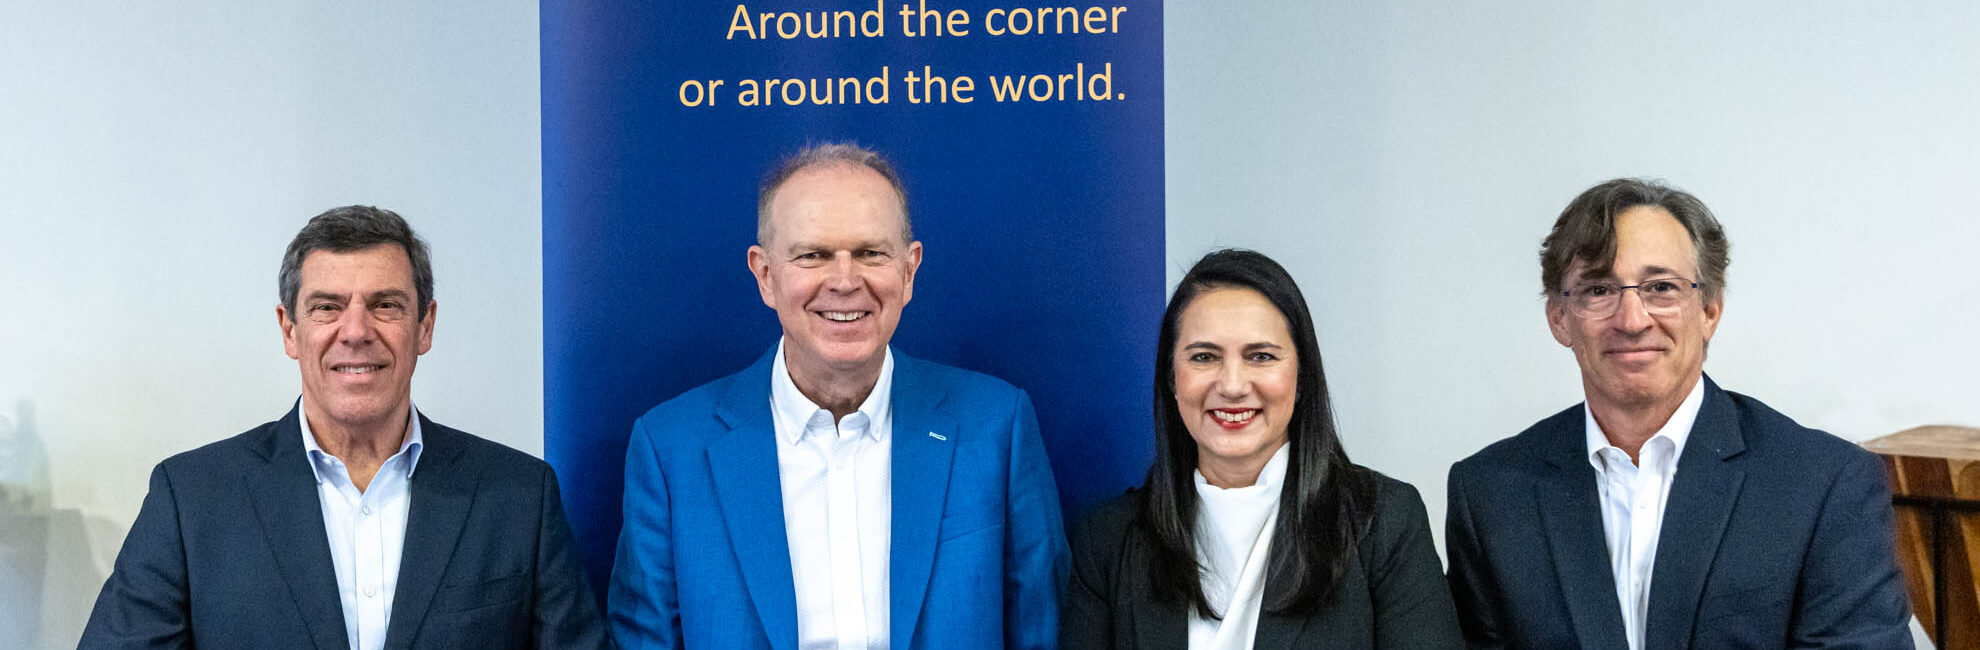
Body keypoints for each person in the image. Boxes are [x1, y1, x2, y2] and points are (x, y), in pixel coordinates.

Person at [79, 206, 610, 650]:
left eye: (385, 305)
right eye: (327, 307)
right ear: (290, 330)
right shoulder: (192, 498)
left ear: (424, 326)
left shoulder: (519, 496)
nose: (356, 331)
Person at [608, 143, 1068, 649]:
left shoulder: (997, 428)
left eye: (871, 253)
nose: (845, 281)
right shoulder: (671, 450)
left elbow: (1041, 632)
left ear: (909, 270)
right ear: (765, 275)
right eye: (813, 255)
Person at [1444, 179, 1913, 648]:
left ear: (1709, 309)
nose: (1632, 319)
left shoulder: (1824, 483)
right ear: (1559, 319)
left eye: (1661, 287)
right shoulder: (1491, 493)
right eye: (1599, 289)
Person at [1062, 249, 1463, 649]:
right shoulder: (1108, 539)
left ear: (1301, 377)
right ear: (1171, 378)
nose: (1233, 385)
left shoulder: (1384, 521)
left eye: (1261, 357)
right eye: (1204, 357)